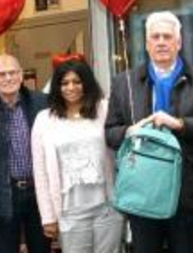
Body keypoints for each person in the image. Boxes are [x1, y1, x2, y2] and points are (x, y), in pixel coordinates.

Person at [104, 11, 193, 253]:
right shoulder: (123, 83)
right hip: (141, 191)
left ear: (178, 43)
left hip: (187, 190)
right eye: (155, 37)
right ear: (147, 44)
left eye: (167, 37)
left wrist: (180, 124)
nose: (161, 42)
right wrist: (129, 131)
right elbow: (110, 133)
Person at [31, 56, 124, 253]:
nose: (70, 87)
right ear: (57, 86)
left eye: (77, 82)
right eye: (64, 83)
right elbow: (40, 172)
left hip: (108, 207)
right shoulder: (44, 119)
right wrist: (48, 216)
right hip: (68, 211)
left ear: (87, 83)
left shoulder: (104, 109)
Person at [0, 54, 51, 253]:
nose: (7, 78)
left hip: (38, 191)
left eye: (12, 72)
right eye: (1, 74)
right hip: (4, 194)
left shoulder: (41, 103)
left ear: (21, 75)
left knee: (42, 248)